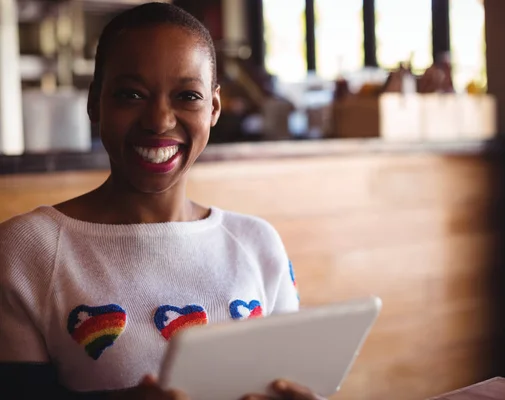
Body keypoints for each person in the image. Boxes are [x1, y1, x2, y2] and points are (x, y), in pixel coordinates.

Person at [0, 3, 322, 399]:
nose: (159, 121)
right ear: (95, 102)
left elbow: (292, 379)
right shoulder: (27, 251)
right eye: (131, 94)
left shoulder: (257, 243)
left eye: (187, 95)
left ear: (214, 108)